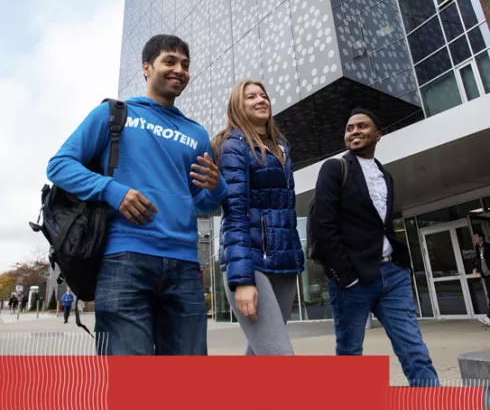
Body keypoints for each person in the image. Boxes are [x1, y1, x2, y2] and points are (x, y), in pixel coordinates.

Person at [47, 34, 228, 355]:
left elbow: (199, 203)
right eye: (169, 61)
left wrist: (217, 187)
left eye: (185, 65)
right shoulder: (115, 114)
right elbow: (60, 166)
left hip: (185, 266)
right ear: (147, 67)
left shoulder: (197, 133)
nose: (180, 70)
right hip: (124, 262)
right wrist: (112, 191)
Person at [312, 108, 439, 386]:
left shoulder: (385, 175)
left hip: (392, 277)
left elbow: (382, 226)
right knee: (350, 354)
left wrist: (400, 264)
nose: (354, 131)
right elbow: (322, 227)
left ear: (378, 135)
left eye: (362, 126)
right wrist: (345, 274)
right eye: (349, 128)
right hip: (352, 279)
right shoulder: (335, 168)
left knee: (415, 351)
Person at [212, 80, 304, 355]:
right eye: (250, 97)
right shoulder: (233, 146)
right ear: (237, 106)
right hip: (252, 263)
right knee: (280, 357)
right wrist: (243, 280)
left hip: (284, 263)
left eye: (263, 95)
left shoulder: (281, 147)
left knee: (259, 354)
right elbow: (235, 213)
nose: (260, 100)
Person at [472, 230, 490, 326]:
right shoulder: (477, 249)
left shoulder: (488, 247)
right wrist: (476, 268)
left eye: (476, 236)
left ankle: (489, 317)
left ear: (481, 237)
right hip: (486, 276)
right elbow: (478, 261)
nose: (474, 239)